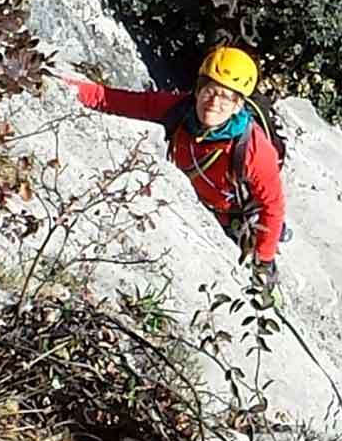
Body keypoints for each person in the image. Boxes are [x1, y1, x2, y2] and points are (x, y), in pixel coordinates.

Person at [56, 44, 287, 285]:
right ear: (198, 90)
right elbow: (116, 100)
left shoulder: (253, 149)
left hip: (233, 217)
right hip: (195, 202)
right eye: (210, 90)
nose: (215, 102)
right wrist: (63, 86)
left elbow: (272, 205)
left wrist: (264, 261)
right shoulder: (179, 110)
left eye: (226, 96)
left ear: (238, 105)